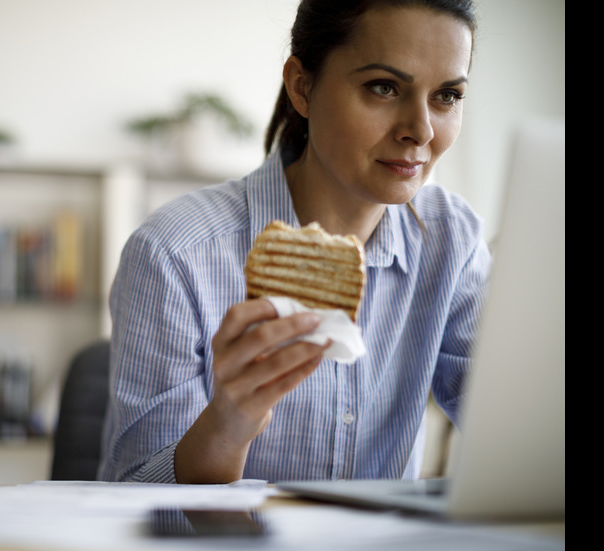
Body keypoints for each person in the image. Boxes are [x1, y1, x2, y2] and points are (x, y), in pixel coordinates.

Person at [98, 0, 490, 484]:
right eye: (384, 88)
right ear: (302, 87)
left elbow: (517, 437)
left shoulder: (455, 241)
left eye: (447, 96)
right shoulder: (174, 253)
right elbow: (134, 499)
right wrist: (228, 425)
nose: (421, 130)